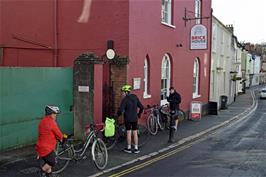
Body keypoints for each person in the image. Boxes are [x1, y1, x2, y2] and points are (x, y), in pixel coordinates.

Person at [35, 105, 67, 177]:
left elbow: (48, 132)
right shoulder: (51, 122)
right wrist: (63, 139)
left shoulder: (43, 121)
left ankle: (49, 175)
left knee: (48, 163)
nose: (56, 116)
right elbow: (58, 134)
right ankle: (41, 172)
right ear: (51, 114)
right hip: (47, 148)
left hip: (39, 147)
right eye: (55, 114)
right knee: (52, 162)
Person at [117, 84, 144, 154]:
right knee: (135, 132)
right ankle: (136, 148)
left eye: (123, 92)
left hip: (128, 119)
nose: (122, 93)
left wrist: (117, 115)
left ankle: (129, 148)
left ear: (126, 92)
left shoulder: (125, 100)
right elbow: (141, 107)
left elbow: (121, 110)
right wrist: (139, 114)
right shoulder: (135, 97)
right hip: (135, 118)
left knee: (128, 132)